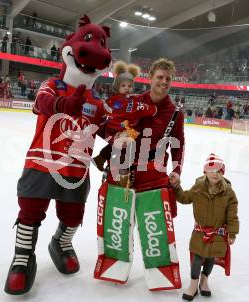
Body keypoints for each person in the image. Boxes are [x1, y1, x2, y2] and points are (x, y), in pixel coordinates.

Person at [4, 15, 112, 295]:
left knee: (74, 215)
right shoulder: (53, 84)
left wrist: (123, 136)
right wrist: (65, 103)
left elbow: (107, 129)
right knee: (30, 210)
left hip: (76, 170)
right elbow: (41, 102)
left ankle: (61, 243)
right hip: (42, 163)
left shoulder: (97, 103)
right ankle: (23, 257)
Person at [94, 58, 185, 291]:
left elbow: (178, 145)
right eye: (160, 77)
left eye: (168, 79)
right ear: (150, 78)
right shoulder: (130, 101)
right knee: (117, 224)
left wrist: (176, 170)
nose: (164, 82)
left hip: (153, 176)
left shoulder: (175, 112)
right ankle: (112, 266)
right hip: (121, 173)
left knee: (155, 227)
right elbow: (106, 127)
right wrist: (115, 139)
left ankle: (162, 273)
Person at [171, 154, 239, 301]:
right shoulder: (198, 188)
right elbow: (184, 198)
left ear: (223, 173)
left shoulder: (229, 193)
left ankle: (204, 281)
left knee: (210, 258)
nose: (215, 173)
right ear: (205, 172)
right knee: (197, 258)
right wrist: (177, 187)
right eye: (212, 170)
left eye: (219, 171)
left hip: (218, 234)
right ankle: (193, 284)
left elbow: (232, 215)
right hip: (200, 233)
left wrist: (232, 233)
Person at [92, 60, 157, 176]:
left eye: (129, 86)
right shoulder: (130, 103)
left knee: (117, 144)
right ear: (117, 87)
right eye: (123, 86)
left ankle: (100, 158)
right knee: (128, 146)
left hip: (113, 130)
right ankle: (123, 169)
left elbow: (105, 107)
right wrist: (153, 109)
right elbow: (142, 108)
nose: (127, 88)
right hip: (122, 130)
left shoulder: (114, 99)